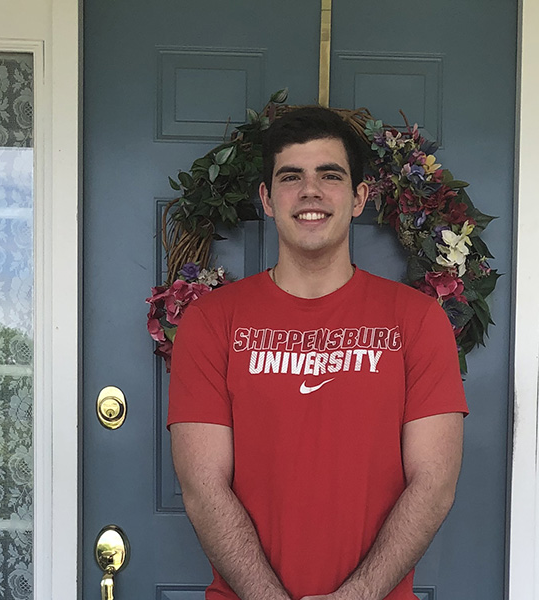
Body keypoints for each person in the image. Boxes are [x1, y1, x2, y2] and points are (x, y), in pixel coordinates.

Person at [168, 106, 467, 600]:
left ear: (358, 198)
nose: (310, 191)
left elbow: (434, 483)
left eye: (330, 175)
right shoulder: (211, 322)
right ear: (267, 198)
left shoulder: (417, 320)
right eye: (291, 177)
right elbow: (203, 487)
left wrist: (359, 595)